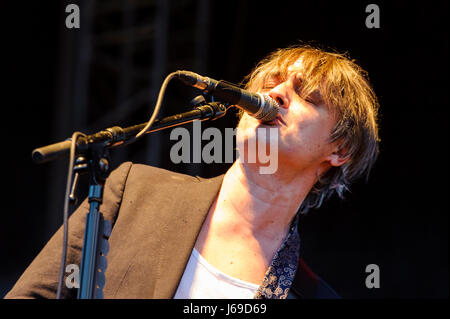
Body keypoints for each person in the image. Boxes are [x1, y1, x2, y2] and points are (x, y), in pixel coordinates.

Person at [5, 44, 379, 299]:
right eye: (270, 84)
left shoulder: (309, 292)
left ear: (340, 149)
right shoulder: (134, 190)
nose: (277, 94)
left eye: (306, 96)